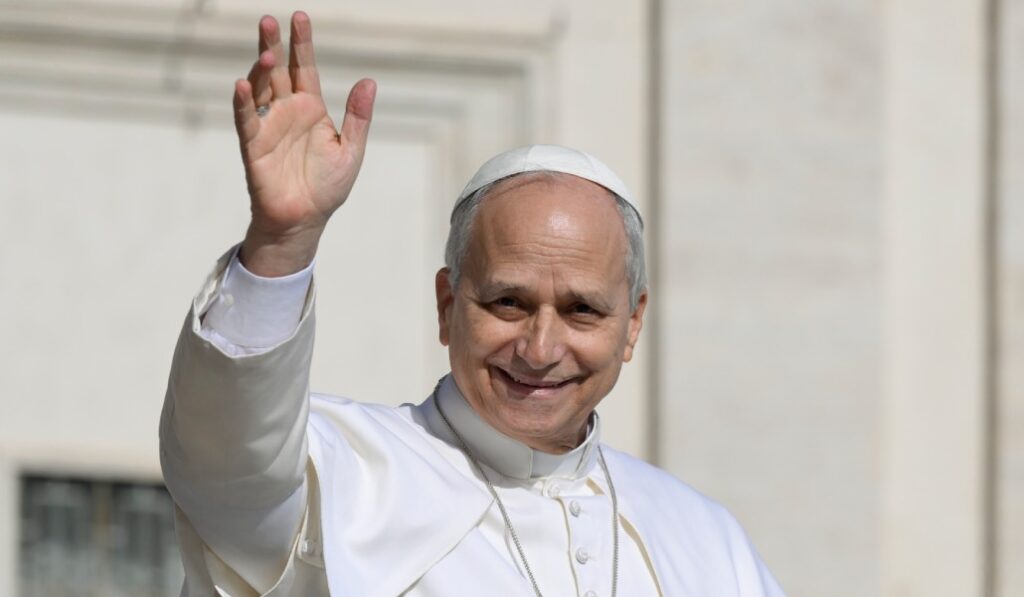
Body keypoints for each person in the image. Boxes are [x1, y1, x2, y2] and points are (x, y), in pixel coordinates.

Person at [159, 10, 786, 597]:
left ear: (632, 325)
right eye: (509, 303)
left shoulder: (706, 540)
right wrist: (281, 244)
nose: (540, 349)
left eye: (581, 311)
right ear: (447, 303)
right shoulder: (338, 475)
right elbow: (228, 466)